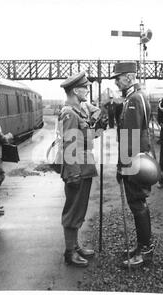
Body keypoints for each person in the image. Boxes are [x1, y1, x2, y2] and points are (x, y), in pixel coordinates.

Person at [110, 62, 154, 267]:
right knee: (138, 204)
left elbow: (132, 136)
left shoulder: (135, 98)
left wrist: (123, 165)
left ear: (128, 77)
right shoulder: (134, 96)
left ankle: (145, 251)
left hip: (134, 160)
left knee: (137, 204)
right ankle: (143, 245)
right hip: (136, 159)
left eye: (118, 77)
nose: (116, 81)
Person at [58, 71, 102, 267]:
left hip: (84, 165)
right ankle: (69, 252)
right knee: (73, 210)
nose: (88, 90)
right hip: (76, 168)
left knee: (80, 209)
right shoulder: (69, 113)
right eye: (85, 87)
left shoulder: (79, 110)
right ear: (76, 90)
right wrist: (73, 173)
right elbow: (69, 145)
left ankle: (75, 246)